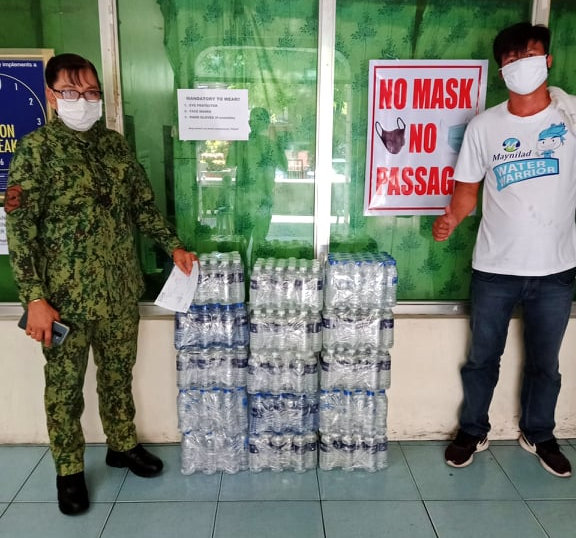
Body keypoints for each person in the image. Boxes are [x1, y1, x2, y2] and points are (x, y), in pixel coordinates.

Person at [5, 53, 198, 515]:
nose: (84, 100)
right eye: (72, 92)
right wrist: (34, 297)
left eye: (91, 92)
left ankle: (122, 444)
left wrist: (173, 245)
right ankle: (69, 470)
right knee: (64, 389)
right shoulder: (35, 151)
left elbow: (143, 206)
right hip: (63, 299)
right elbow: (21, 229)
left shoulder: (115, 147)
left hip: (117, 291)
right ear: (51, 96)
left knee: (117, 376)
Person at [433, 22, 576, 478]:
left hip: (556, 268)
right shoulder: (485, 126)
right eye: (511, 60)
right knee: (481, 359)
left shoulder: (571, 116)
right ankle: (472, 430)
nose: (520, 66)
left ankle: (539, 432)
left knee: (545, 364)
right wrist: (452, 219)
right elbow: (468, 191)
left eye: (528, 56)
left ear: (547, 61)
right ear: (501, 70)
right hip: (495, 267)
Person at [226, 107, 287, 263]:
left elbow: (229, 162)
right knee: (256, 241)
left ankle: (242, 277)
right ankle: (253, 278)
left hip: (249, 200)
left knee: (243, 242)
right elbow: (284, 167)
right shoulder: (270, 145)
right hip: (259, 200)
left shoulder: (241, 144)